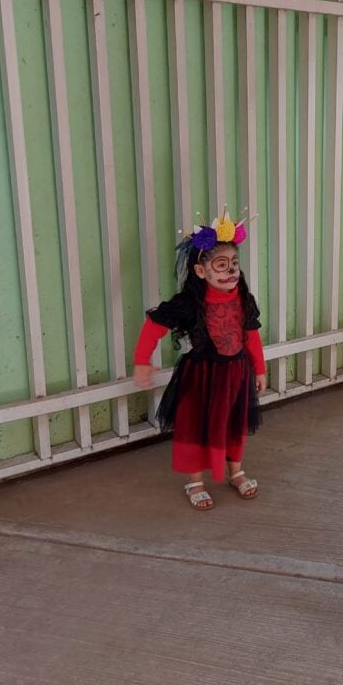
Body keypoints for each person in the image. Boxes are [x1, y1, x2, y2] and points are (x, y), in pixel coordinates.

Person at [133, 210, 267, 510]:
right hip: (202, 377)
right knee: (196, 427)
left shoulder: (244, 300)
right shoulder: (189, 304)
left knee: (235, 422)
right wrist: (142, 361)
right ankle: (195, 481)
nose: (230, 271)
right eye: (221, 265)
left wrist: (259, 368)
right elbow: (153, 326)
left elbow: (251, 336)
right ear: (200, 271)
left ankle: (236, 471)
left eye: (234, 264)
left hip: (237, 374)